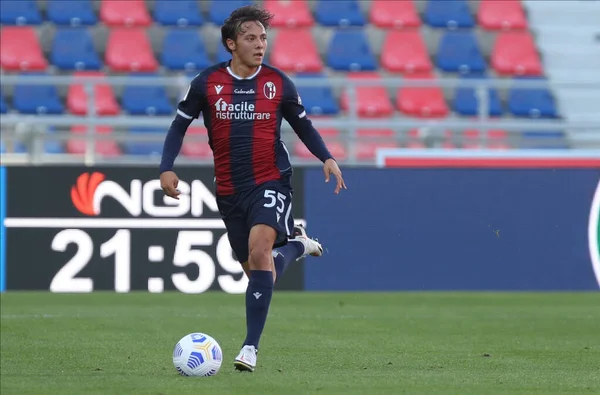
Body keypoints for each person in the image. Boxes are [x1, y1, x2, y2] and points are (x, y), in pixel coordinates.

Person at [159, 4, 346, 373]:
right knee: (257, 270)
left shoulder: (278, 83)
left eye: (263, 38)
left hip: (270, 179)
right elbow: (178, 126)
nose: (260, 45)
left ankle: (249, 348)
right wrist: (166, 168)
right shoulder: (206, 83)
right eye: (250, 38)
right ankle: (296, 245)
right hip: (229, 189)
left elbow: (304, 126)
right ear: (231, 44)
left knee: (260, 253)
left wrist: (326, 156)